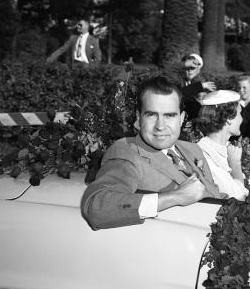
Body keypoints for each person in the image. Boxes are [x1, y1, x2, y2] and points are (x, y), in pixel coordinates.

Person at [81, 77, 226, 230]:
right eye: (151, 115)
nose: (160, 126)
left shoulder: (192, 149)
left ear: (181, 118)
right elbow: (95, 207)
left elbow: (216, 196)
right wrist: (175, 197)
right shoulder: (126, 152)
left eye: (169, 115)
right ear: (138, 118)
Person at [195, 90, 249, 201]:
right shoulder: (204, 155)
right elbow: (238, 198)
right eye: (239, 114)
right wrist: (235, 164)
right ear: (229, 118)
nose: (242, 119)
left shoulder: (227, 149)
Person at [169, 54, 217, 120]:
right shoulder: (177, 79)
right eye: (187, 68)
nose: (190, 71)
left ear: (198, 70)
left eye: (192, 68)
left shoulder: (196, 81)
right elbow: (179, 94)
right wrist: (201, 86)